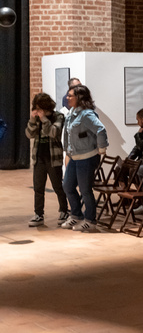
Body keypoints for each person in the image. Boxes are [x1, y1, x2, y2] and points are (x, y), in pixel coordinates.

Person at [61, 85, 108, 233]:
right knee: (67, 186)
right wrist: (67, 152)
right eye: (67, 95)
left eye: (70, 96)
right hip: (74, 157)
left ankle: (90, 220)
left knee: (85, 190)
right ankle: (76, 214)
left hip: (87, 157)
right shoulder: (71, 113)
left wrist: (102, 148)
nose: (67, 98)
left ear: (79, 97)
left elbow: (100, 129)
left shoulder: (87, 114)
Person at [25, 93, 69, 227]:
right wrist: (33, 121)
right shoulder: (37, 119)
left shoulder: (58, 116)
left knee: (57, 186)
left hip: (53, 157)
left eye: (40, 108)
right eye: (36, 108)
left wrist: (44, 119)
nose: (38, 111)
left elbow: (54, 133)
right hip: (39, 157)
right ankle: (38, 214)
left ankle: (64, 210)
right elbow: (29, 134)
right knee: (38, 187)